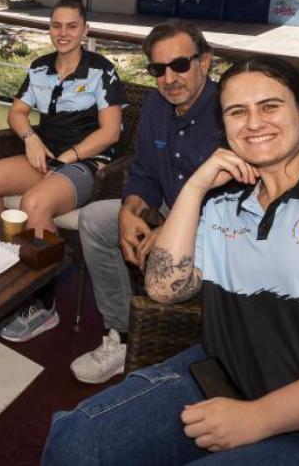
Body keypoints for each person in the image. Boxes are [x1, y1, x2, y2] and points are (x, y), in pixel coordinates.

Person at [43, 54, 299, 465]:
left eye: (270, 106)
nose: (254, 123)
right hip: (229, 380)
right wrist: (195, 187)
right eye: (236, 112)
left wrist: (260, 417)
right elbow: (162, 287)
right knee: (75, 444)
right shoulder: (224, 202)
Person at [69, 20, 223, 384]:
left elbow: (235, 202)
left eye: (180, 65)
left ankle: (180, 349)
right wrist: (130, 209)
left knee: (162, 265)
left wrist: (171, 231)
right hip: (169, 208)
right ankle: (121, 333)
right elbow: (144, 171)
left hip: (220, 230)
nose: (169, 78)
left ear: (205, 63)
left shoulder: (228, 111)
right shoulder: (156, 105)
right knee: (94, 220)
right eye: (159, 69)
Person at [0, 0, 125, 343]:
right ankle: (11, 263)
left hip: (86, 164)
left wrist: (69, 157)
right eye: (56, 26)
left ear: (84, 30)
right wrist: (30, 137)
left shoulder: (101, 71)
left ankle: (43, 305)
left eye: (71, 26)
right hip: (45, 156)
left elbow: (110, 132)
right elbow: (17, 112)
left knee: (35, 204)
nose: (63, 33)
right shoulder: (40, 67)